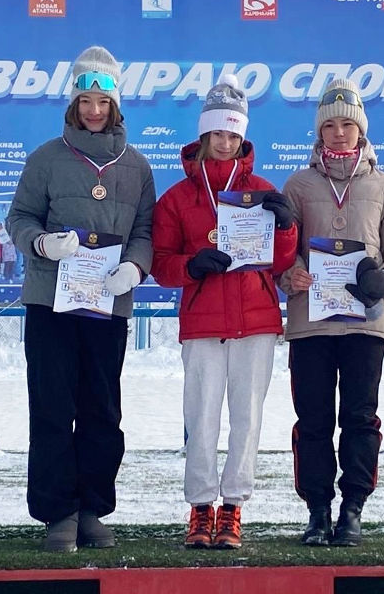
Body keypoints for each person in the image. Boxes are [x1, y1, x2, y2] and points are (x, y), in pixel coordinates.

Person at [7, 45, 155, 553]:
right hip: (50, 305)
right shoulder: (46, 158)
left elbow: (145, 230)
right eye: (86, 101)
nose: (94, 110)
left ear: (116, 105)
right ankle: (59, 514)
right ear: (74, 103)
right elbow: (19, 217)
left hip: (106, 308)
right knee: (52, 406)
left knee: (102, 409)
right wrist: (41, 244)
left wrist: (135, 267)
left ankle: (92, 509)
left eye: (103, 102)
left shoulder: (136, 167)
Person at [151, 75, 297, 549]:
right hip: (203, 322)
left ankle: (233, 505)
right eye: (217, 133)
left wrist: (286, 227)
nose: (225, 142)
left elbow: (279, 262)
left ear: (242, 137)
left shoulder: (263, 191)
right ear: (203, 135)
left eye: (233, 134)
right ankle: (200, 506)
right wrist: (191, 266)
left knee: (247, 418)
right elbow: (160, 264)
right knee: (201, 417)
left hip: (255, 321)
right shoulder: (177, 198)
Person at [277, 78, 384, 547]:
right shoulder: (298, 185)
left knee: (359, 418)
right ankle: (317, 510)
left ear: (361, 130)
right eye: (330, 126)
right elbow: (281, 250)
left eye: (347, 125)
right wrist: (290, 275)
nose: (339, 133)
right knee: (313, 420)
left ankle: (353, 508)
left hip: (366, 324)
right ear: (319, 132)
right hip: (311, 324)